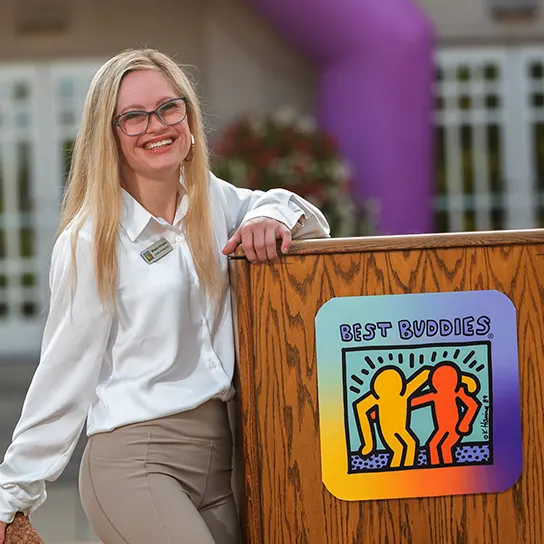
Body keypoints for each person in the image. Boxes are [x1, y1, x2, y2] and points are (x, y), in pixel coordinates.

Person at [0, 48, 330, 544]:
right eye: (132, 117)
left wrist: (272, 216)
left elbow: (311, 223)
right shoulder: (92, 240)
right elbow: (63, 373)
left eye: (167, 108)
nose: (155, 125)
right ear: (108, 137)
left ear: (189, 118)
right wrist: (14, 494)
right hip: (135, 463)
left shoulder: (215, 201)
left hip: (223, 462)